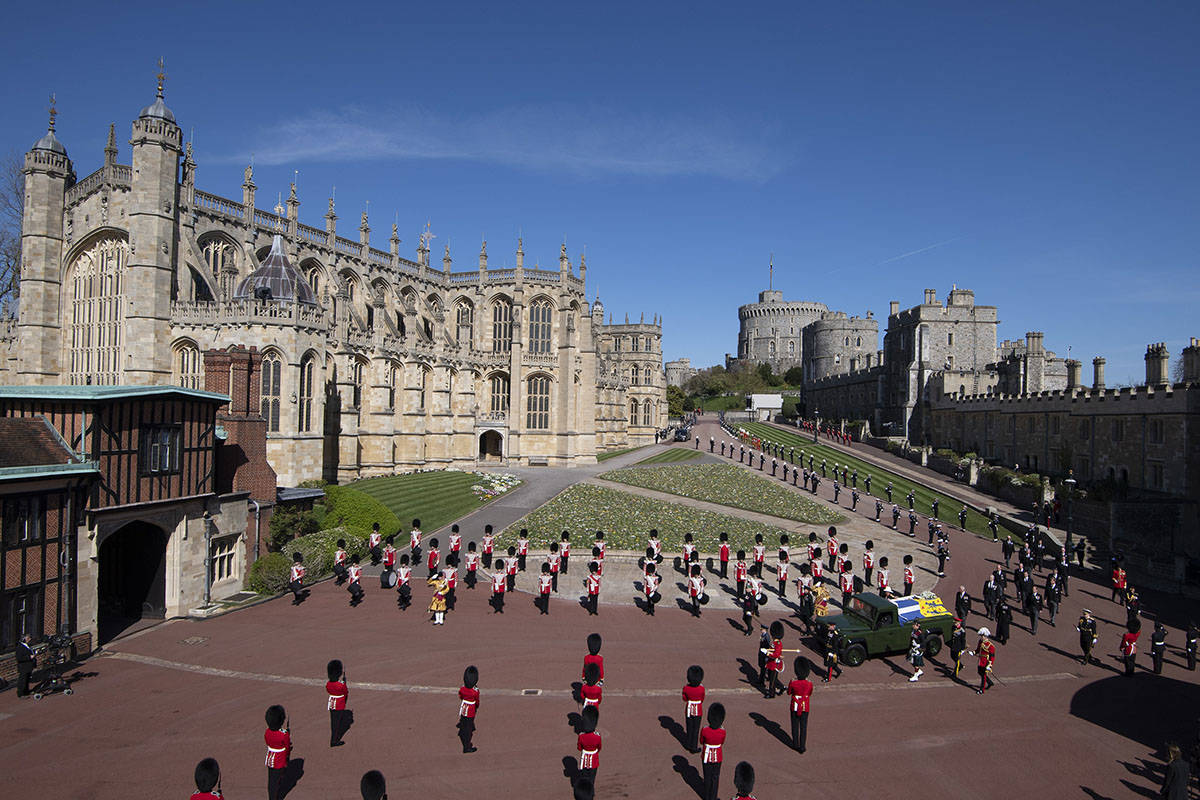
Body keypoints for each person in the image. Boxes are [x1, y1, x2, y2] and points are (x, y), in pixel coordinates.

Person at [699, 703, 727, 800]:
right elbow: (722, 742)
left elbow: (701, 741)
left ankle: (706, 797)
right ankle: (713, 797)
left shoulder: (705, 730)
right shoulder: (722, 731)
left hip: (706, 756)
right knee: (715, 778)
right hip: (717, 757)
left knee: (707, 777)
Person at [264, 705, 292, 800]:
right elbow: (287, 748)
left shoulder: (267, 732)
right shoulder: (283, 734)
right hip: (279, 759)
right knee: (276, 782)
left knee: (271, 780)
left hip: (270, 758)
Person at [786, 657, 813, 753]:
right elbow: (809, 693)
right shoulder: (809, 683)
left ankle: (795, 744)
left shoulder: (793, 682)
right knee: (803, 726)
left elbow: (789, 692)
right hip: (805, 705)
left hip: (795, 705)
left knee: (795, 725)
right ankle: (802, 746)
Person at [682, 665, 705, 754]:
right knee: (696, 729)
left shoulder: (686, 688)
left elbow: (684, 698)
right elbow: (702, 699)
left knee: (689, 727)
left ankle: (688, 744)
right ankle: (693, 746)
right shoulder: (701, 688)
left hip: (689, 709)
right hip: (698, 709)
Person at [576, 705, 601, 788]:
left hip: (584, 759)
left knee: (584, 778)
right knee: (592, 779)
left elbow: (579, 748)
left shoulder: (581, 736)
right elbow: (599, 748)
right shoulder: (597, 736)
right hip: (594, 760)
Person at [326, 659, 349, 747]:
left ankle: (334, 737)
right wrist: (344, 683)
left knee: (333, 721)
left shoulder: (328, 683)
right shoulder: (341, 684)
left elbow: (328, 690)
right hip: (339, 704)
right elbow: (345, 692)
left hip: (332, 703)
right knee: (337, 723)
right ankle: (334, 740)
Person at [458, 665, 480, 753]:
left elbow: (461, 696)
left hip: (464, 707)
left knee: (465, 721)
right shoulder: (475, 691)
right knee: (468, 728)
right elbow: (477, 701)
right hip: (471, 709)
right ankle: (467, 747)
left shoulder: (462, 689)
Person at [764, 621, 786, 698]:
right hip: (771, 663)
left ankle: (771, 694)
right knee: (772, 678)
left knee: (772, 681)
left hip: (775, 664)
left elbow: (776, 655)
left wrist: (768, 654)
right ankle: (782, 687)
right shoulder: (774, 642)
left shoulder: (778, 644)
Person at [975, 629, 996, 694]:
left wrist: (990, 665)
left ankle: (982, 689)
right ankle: (990, 682)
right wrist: (973, 652)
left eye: (983, 636)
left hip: (986, 662)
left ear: (986, 636)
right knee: (979, 672)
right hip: (981, 660)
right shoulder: (980, 642)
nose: (982, 637)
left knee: (983, 676)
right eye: (981, 636)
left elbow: (992, 657)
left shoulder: (990, 646)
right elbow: (978, 650)